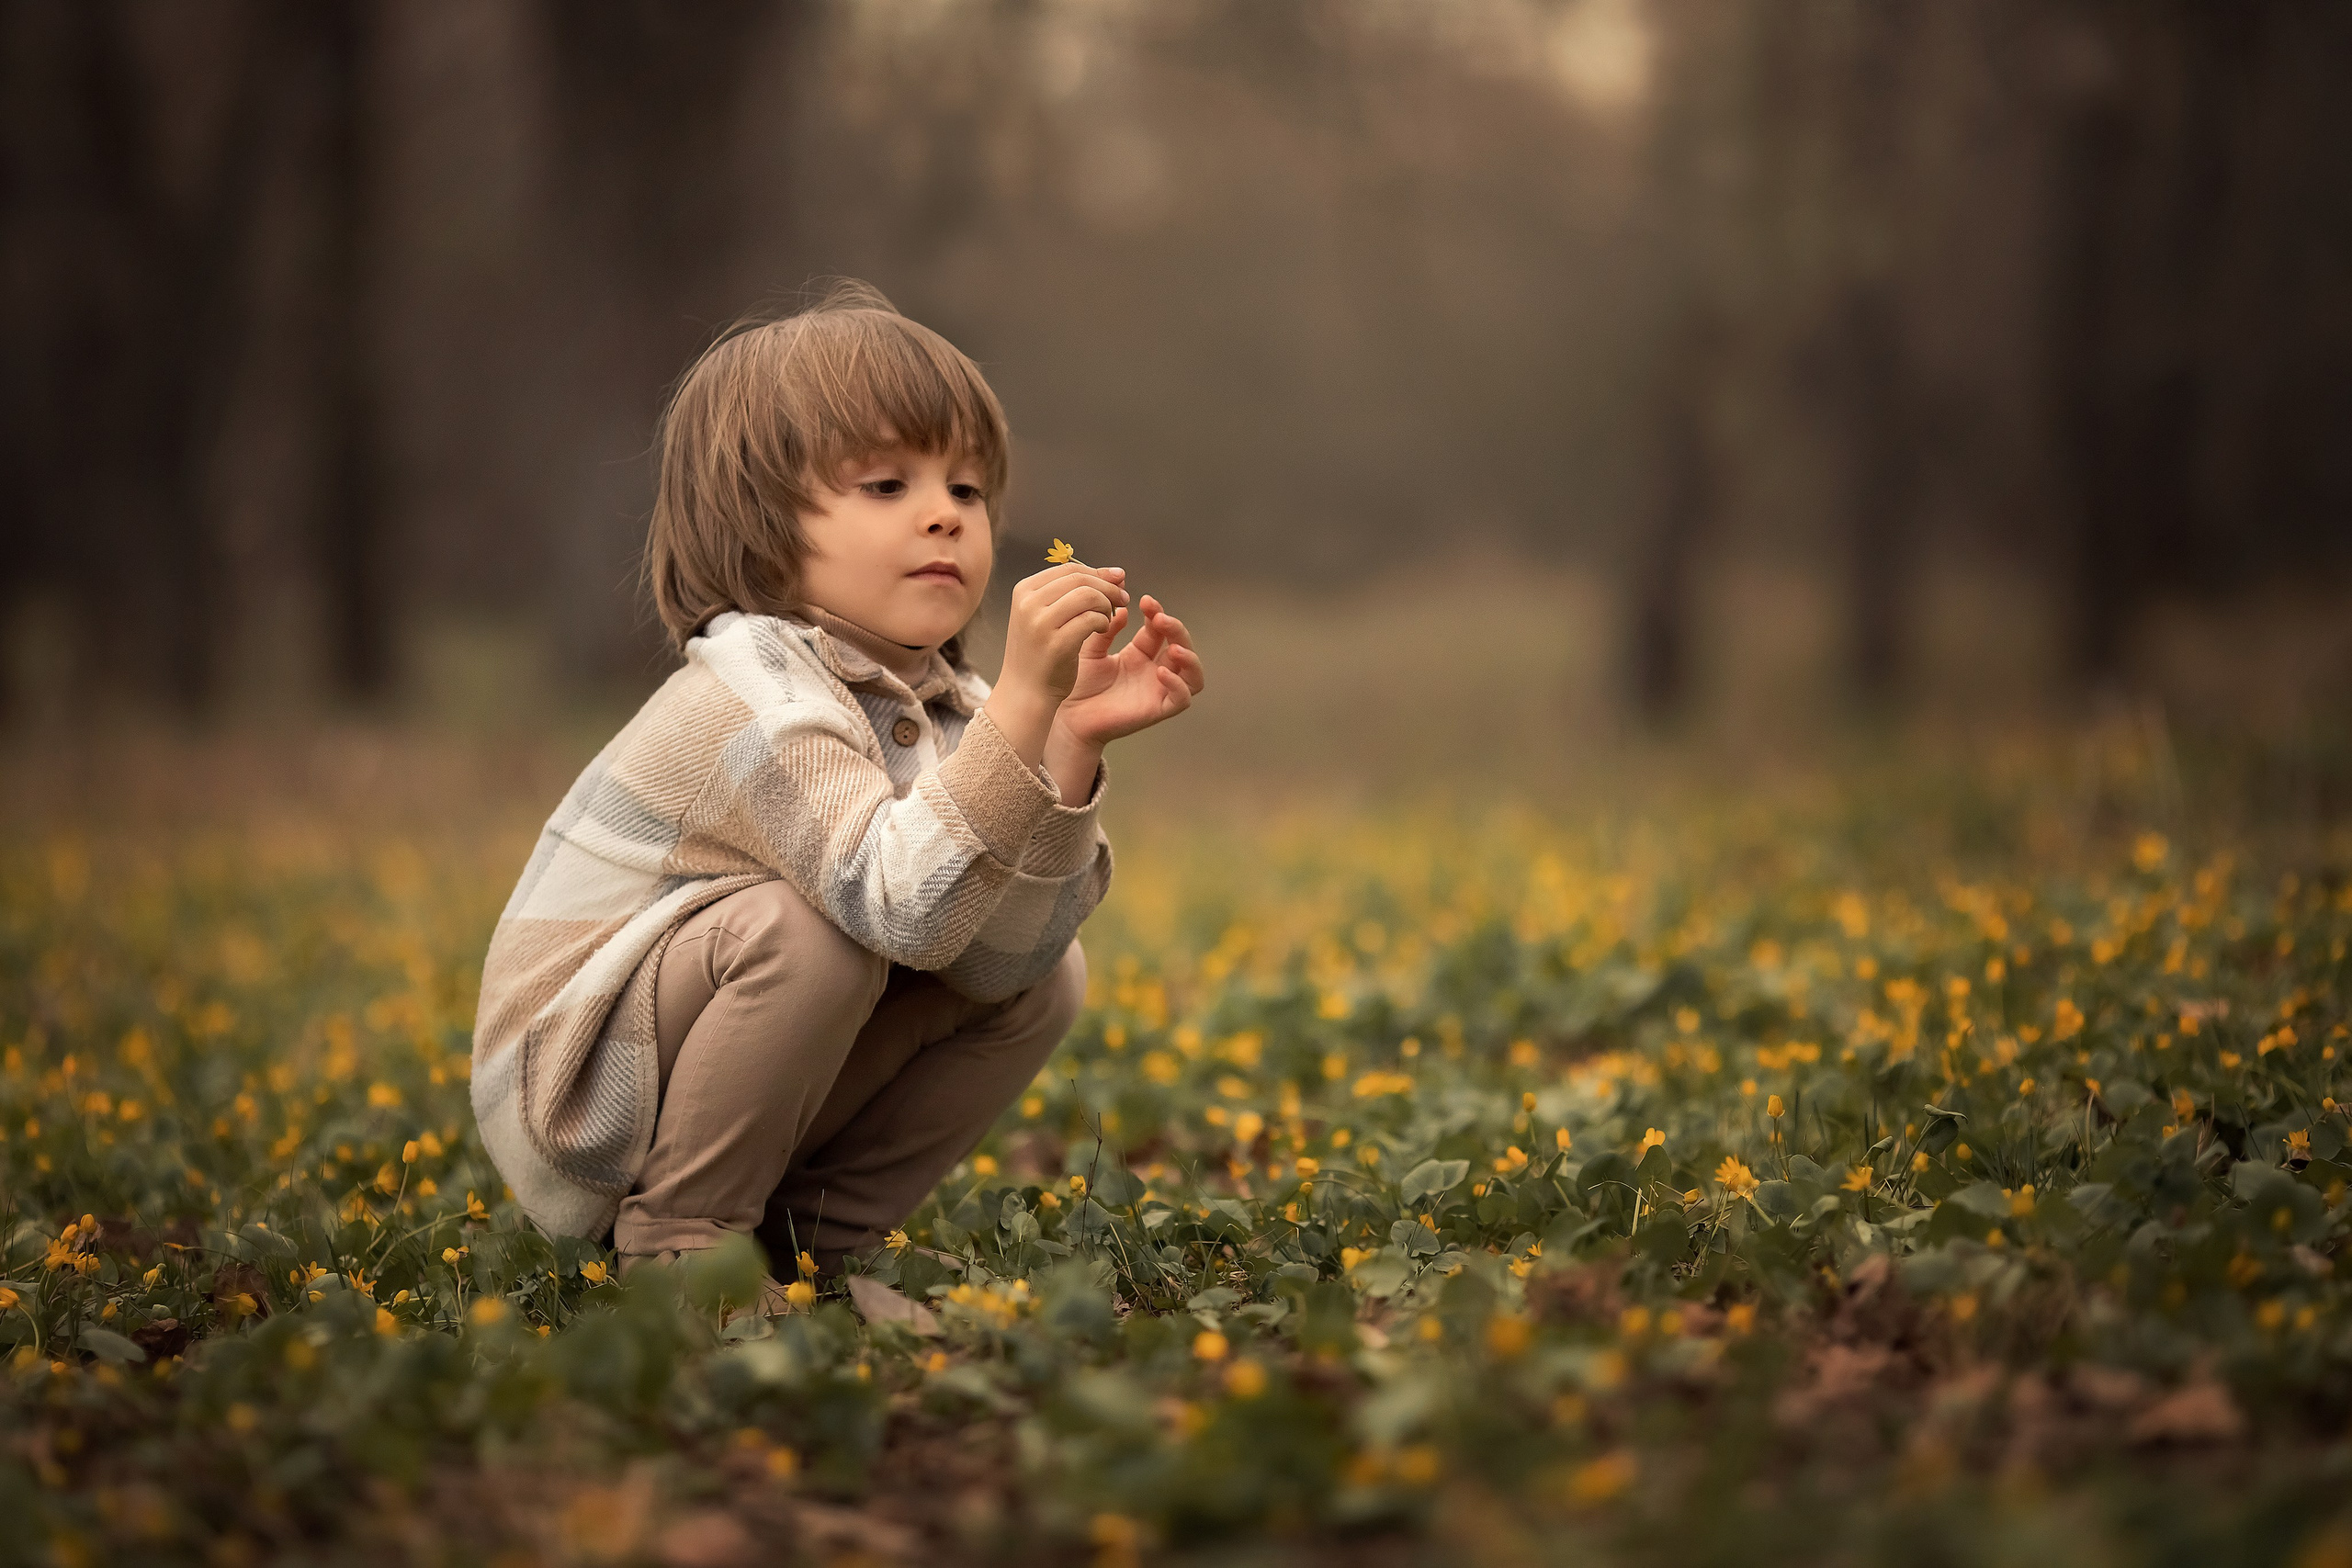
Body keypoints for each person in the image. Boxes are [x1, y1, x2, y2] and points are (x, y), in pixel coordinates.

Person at [468, 280, 1204, 1309]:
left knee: (1048, 976)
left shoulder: (949, 700)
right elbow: (892, 897)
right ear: (762, 523)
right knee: (808, 931)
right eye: (887, 486)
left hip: (713, 1060)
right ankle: (681, 1247)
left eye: (967, 489)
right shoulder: (754, 688)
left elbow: (994, 961)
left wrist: (1066, 737)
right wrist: (1025, 707)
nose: (945, 515)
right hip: (584, 1087)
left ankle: (815, 1246)